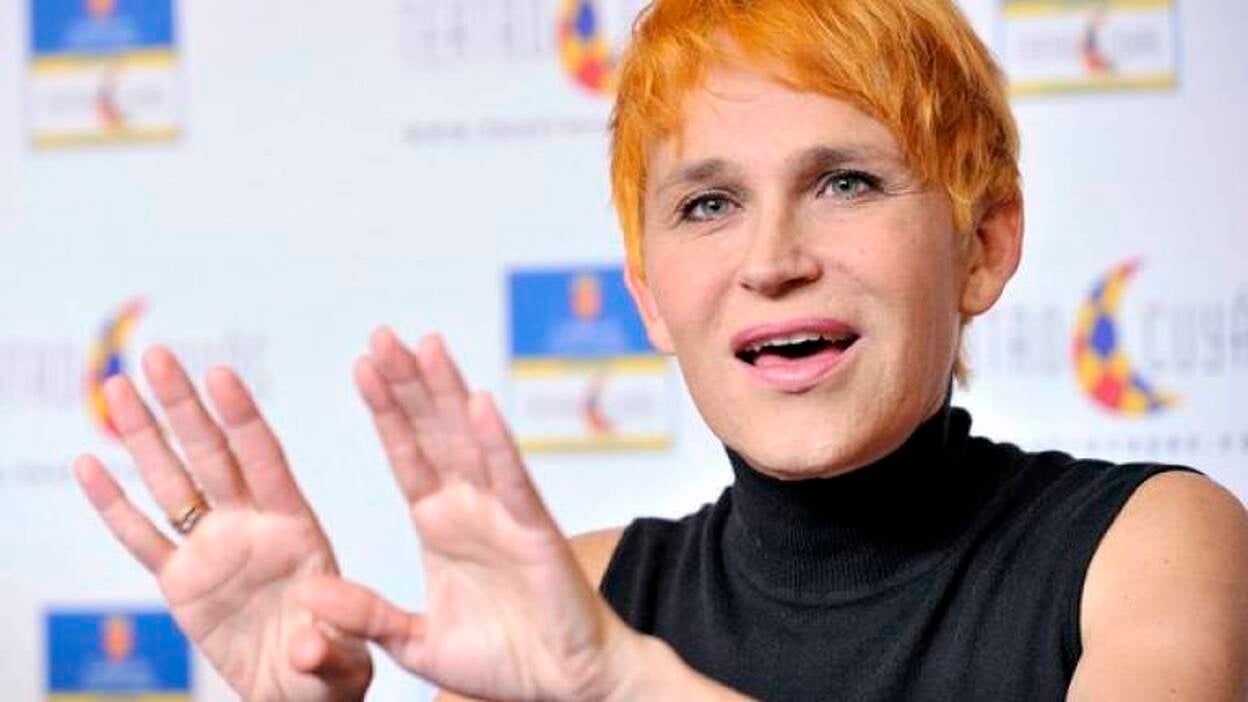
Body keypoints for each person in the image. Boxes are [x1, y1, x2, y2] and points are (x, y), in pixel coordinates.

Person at [75, 0, 1248, 699]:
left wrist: (634, 684)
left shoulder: (1149, 546)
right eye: (708, 204)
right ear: (646, 295)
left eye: (844, 182)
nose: (772, 258)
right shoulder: (581, 594)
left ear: (983, 247)